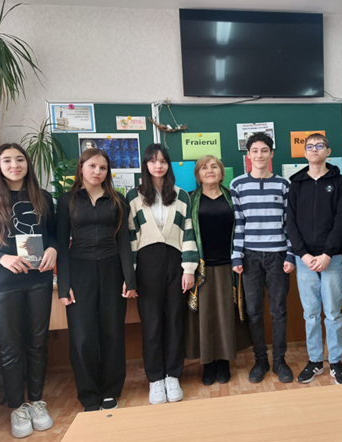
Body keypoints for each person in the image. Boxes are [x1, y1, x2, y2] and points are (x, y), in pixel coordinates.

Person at [0, 143, 56, 438]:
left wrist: (54, 249)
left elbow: (53, 234)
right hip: (5, 283)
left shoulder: (42, 197)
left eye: (20, 159)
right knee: (10, 346)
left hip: (39, 280)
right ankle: (17, 407)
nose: (14, 165)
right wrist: (0, 257)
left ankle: (36, 402)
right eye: (7, 160)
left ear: (27, 164)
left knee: (38, 343)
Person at [56, 148, 137, 411]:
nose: (97, 172)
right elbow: (61, 244)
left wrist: (129, 278)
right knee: (82, 337)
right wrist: (64, 285)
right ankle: (89, 394)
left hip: (112, 270)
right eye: (92, 166)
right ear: (81, 167)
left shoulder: (117, 200)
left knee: (112, 333)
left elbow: (124, 241)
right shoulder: (66, 201)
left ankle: (111, 390)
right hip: (79, 271)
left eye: (102, 168)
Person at [127, 144, 197, 405]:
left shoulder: (181, 195)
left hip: (175, 262)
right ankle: (155, 378)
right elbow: (131, 237)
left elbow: (188, 233)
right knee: (152, 323)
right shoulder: (133, 197)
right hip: (147, 264)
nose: (158, 166)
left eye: (163, 161)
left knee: (174, 321)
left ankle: (172, 375)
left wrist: (188, 269)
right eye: (153, 161)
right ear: (145, 165)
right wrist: (132, 275)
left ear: (169, 165)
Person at [230, 132, 296, 384]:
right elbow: (239, 224)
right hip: (250, 257)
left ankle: (279, 360)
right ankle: (261, 360)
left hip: (278, 255)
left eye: (264, 150)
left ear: (271, 154)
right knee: (254, 311)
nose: (259, 155)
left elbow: (289, 223)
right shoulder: (237, 185)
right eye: (255, 151)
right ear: (248, 155)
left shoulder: (283, 185)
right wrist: (237, 256)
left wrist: (290, 253)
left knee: (279, 311)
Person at [287, 133, 342, 385]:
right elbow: (290, 223)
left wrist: (327, 253)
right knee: (311, 313)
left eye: (319, 145)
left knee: (333, 313)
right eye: (310, 146)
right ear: (305, 153)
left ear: (328, 151)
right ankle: (315, 361)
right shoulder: (296, 184)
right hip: (304, 261)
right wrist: (303, 254)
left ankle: (335, 362)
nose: (314, 149)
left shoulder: (339, 182)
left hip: (331, 258)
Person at [186, 155, 251, 386]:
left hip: (228, 266)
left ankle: (224, 363)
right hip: (201, 268)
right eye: (204, 167)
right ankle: (208, 365)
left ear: (222, 173)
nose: (210, 170)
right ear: (198, 175)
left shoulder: (233, 198)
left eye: (214, 166)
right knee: (205, 318)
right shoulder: (189, 200)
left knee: (225, 316)